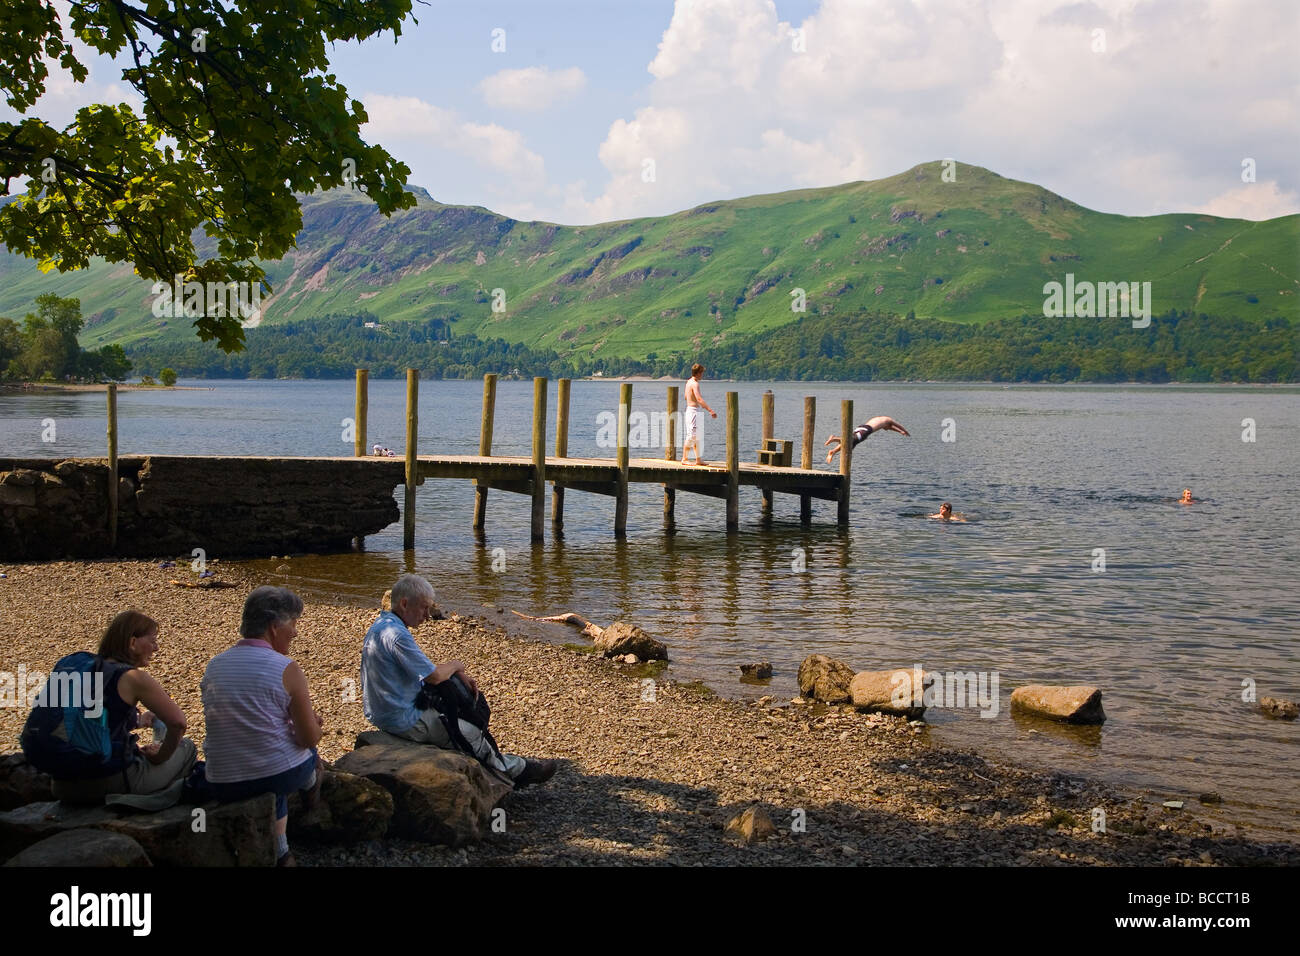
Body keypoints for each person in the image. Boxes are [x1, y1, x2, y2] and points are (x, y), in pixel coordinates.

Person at [361, 574, 557, 788]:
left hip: (384, 710)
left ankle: (494, 756)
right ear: (404, 603)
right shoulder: (397, 636)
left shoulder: (382, 624)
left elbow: (424, 670)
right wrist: (457, 665)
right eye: (423, 608)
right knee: (470, 732)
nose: (428, 616)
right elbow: (434, 675)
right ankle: (515, 771)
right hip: (401, 718)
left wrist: (454, 672)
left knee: (455, 697)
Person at [201, 586, 323, 867]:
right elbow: (307, 738)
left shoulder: (214, 665)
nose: (295, 632)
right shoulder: (286, 667)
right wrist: (315, 726)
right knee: (307, 760)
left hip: (221, 779)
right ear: (273, 626)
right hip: (274, 775)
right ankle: (312, 807)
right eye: (293, 623)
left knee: (264, 757)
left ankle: (281, 852)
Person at [25, 610, 197, 807]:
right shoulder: (133, 678)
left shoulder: (78, 665)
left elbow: (87, 717)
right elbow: (178, 723)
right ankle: (157, 808)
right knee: (187, 748)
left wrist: (138, 720)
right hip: (110, 782)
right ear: (133, 643)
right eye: (153, 641)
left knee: (152, 733)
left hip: (61, 785)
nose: (156, 648)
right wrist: (159, 757)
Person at [825, 415, 910, 463]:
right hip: (866, 430)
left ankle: (833, 452)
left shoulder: (881, 421)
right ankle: (835, 438)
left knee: (851, 443)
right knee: (852, 440)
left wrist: (899, 432)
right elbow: (896, 425)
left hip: (862, 428)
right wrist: (904, 430)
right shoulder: (888, 419)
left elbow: (889, 427)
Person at [680, 363, 718, 466]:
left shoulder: (689, 382)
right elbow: (699, 399)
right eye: (702, 373)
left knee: (696, 436)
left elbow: (685, 396)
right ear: (698, 373)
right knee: (691, 435)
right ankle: (684, 458)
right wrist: (710, 410)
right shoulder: (695, 384)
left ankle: (698, 459)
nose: (702, 375)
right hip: (692, 411)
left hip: (691, 410)